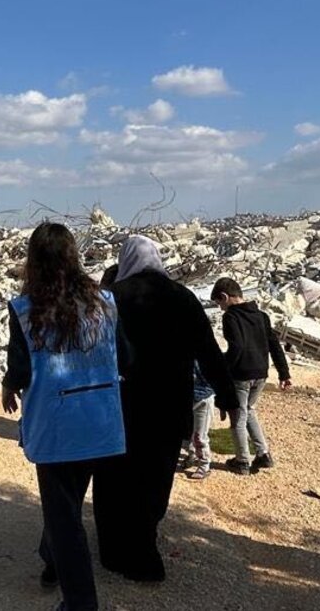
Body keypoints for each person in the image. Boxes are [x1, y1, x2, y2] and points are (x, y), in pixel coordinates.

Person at [2, 222, 126, 611]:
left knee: (65, 518)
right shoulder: (106, 301)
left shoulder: (25, 309)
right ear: (74, 256)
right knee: (68, 504)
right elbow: (124, 355)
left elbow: (20, 368)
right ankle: (51, 559)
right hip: (100, 418)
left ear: (33, 261)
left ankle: (80, 602)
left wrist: (9, 386)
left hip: (56, 426)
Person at [100, 235, 234, 582]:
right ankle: (145, 548)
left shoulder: (112, 297)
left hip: (122, 407)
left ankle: (115, 552)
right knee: (155, 481)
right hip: (170, 407)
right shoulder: (183, 298)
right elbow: (209, 350)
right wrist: (227, 395)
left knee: (117, 480)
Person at [209, 277, 292, 474]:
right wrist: (284, 373)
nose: (220, 308)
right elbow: (274, 345)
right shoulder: (262, 316)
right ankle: (263, 454)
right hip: (261, 373)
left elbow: (236, 346)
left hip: (241, 374)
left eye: (219, 303)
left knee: (237, 417)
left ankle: (242, 461)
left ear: (225, 297)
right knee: (249, 410)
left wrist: (224, 370)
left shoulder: (230, 317)